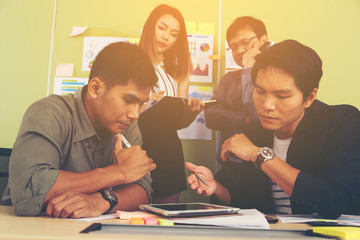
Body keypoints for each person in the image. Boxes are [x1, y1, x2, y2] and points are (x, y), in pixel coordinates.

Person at [186, 39, 360, 219]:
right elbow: (246, 203)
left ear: (309, 97)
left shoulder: (342, 122)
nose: (267, 105)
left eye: (282, 96)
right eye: (260, 92)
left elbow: (333, 201)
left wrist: (258, 154)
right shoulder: (255, 132)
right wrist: (216, 187)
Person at [1, 42, 158, 218]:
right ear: (95, 88)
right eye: (128, 100)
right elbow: (29, 190)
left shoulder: (126, 123)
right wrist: (119, 172)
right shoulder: (49, 113)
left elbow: (143, 189)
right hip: (20, 227)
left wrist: (104, 200)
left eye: (141, 103)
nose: (135, 114)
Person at [138, 4, 204, 203]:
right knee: (131, 217)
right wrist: (147, 104)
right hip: (136, 145)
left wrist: (191, 113)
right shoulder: (130, 59)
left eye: (173, 33)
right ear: (151, 26)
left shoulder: (178, 72)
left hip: (167, 149)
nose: (166, 36)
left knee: (167, 221)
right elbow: (115, 112)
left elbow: (177, 123)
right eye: (162, 27)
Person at [205, 16, 269, 162]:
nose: (239, 50)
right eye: (233, 47)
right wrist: (243, 118)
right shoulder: (228, 79)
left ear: (263, 40)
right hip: (229, 163)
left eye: (245, 43)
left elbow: (256, 115)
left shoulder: (275, 78)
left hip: (263, 162)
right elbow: (210, 116)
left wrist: (250, 68)